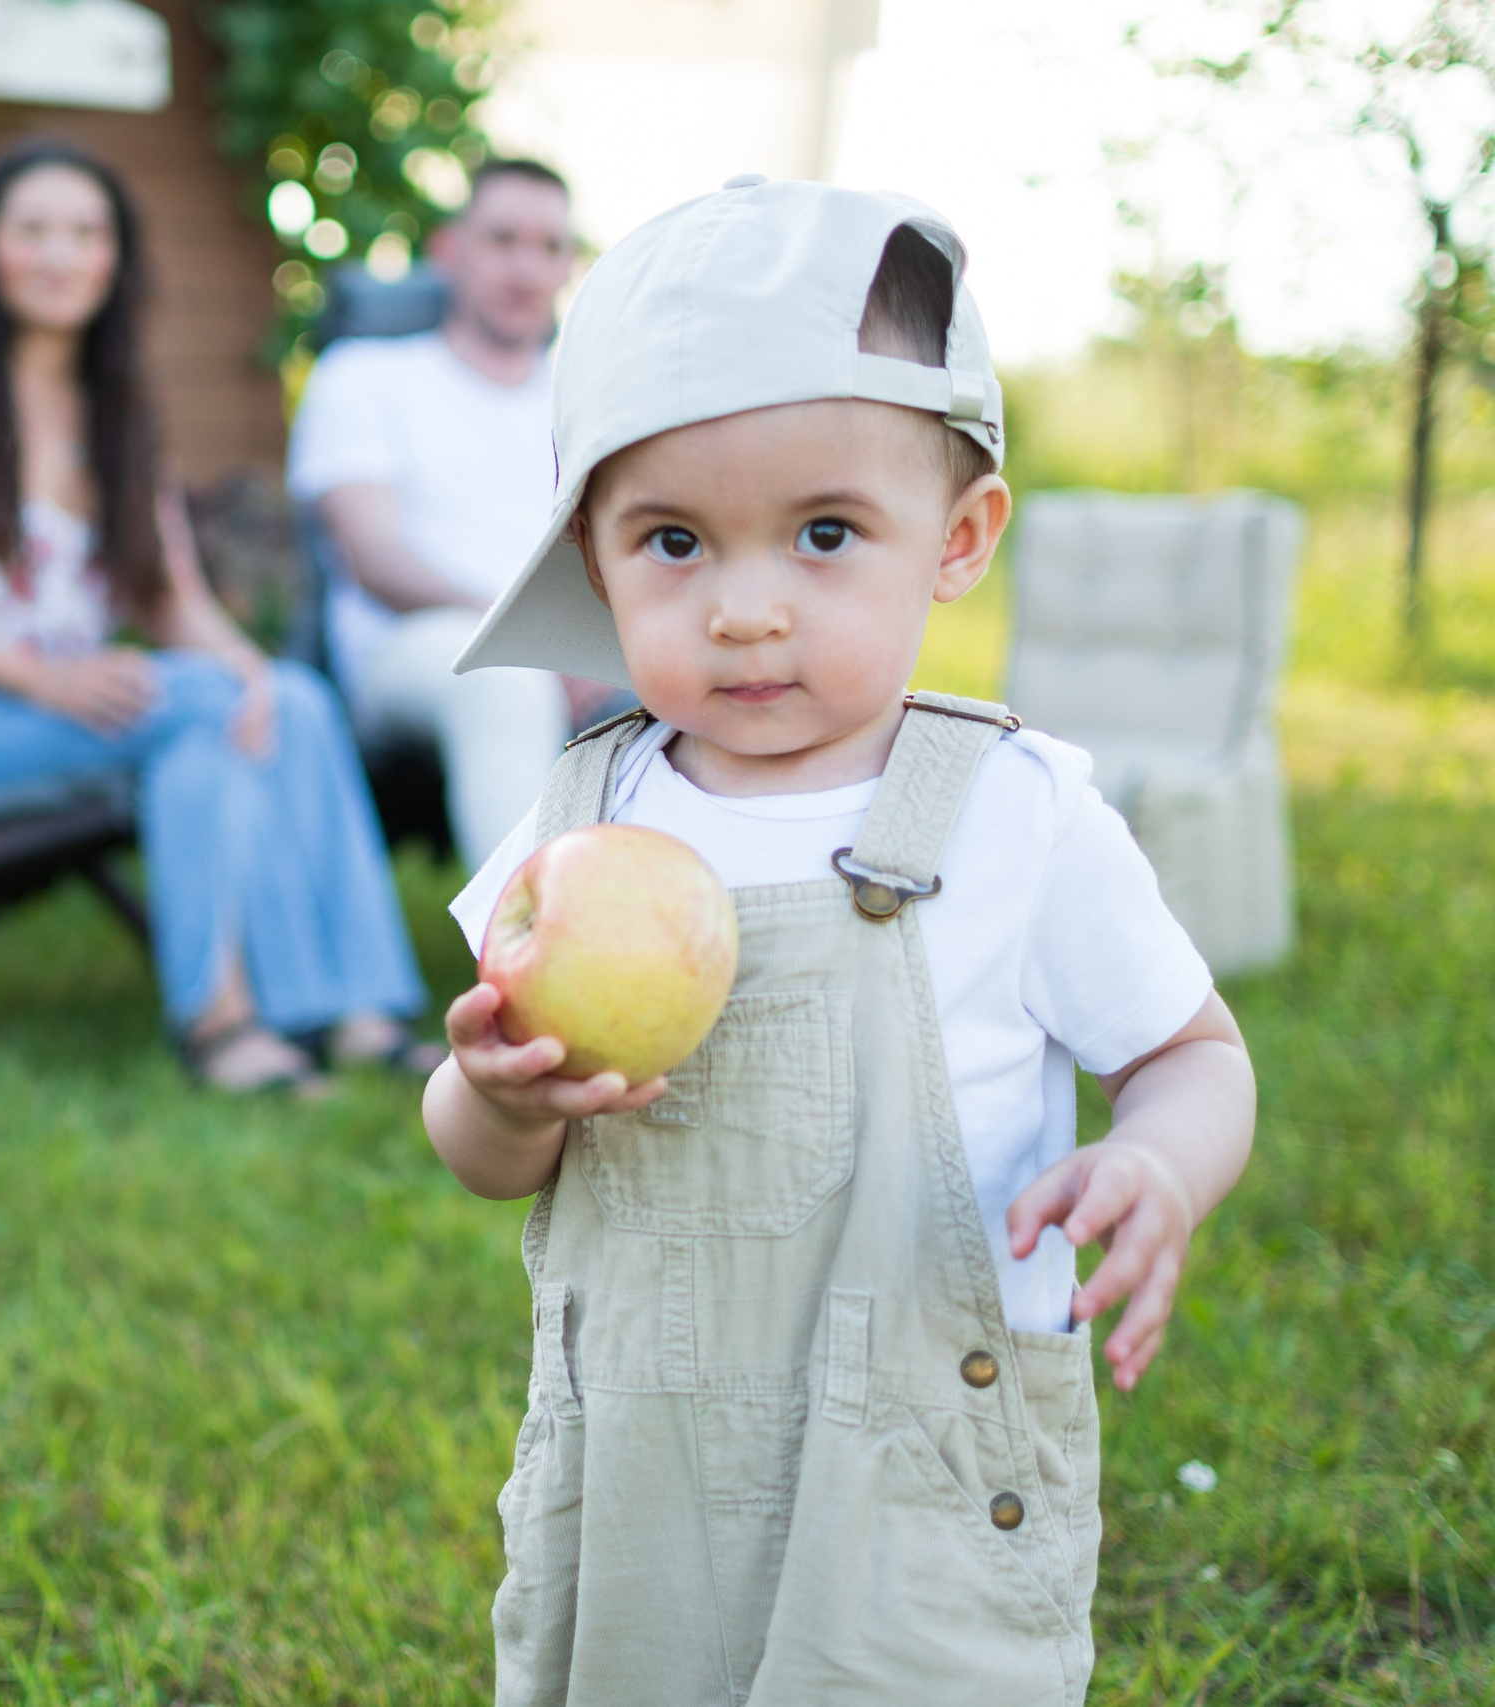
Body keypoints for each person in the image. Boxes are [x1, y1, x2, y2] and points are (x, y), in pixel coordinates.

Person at [423, 179, 1258, 1700]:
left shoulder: (1016, 812)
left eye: (823, 532)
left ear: (958, 536)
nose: (746, 609)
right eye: (673, 540)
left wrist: (1161, 1160)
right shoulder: (581, 819)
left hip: (918, 1475)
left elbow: (1193, 1055)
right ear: (595, 560)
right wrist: (497, 1095)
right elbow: (487, 1158)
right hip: (646, 1480)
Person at [0, 140, 436, 1094]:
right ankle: (218, 1022)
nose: (60, 255)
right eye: (33, 231)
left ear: (116, 259)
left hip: (58, 706)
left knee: (293, 697)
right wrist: (43, 678)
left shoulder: (116, 402)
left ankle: (358, 1012)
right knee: (192, 711)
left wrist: (246, 667)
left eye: (85, 233)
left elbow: (167, 596)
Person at [288, 157, 610, 868]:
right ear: (448, 250)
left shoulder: (585, 407)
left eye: (548, 247)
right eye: (502, 240)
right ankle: (534, 958)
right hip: (414, 647)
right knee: (503, 683)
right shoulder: (366, 376)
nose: (526, 268)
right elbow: (375, 559)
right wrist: (529, 640)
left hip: (570, 648)